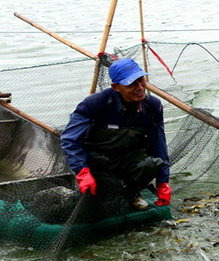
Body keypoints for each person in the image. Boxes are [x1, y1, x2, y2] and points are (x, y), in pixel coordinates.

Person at [60, 57, 171, 212]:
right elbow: (69, 140)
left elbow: (158, 144)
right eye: (131, 84)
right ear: (116, 87)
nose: (139, 88)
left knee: (151, 164)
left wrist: (162, 182)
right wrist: (82, 171)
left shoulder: (153, 105)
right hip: (96, 160)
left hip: (127, 158)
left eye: (141, 80)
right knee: (93, 206)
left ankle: (131, 192)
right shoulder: (96, 103)